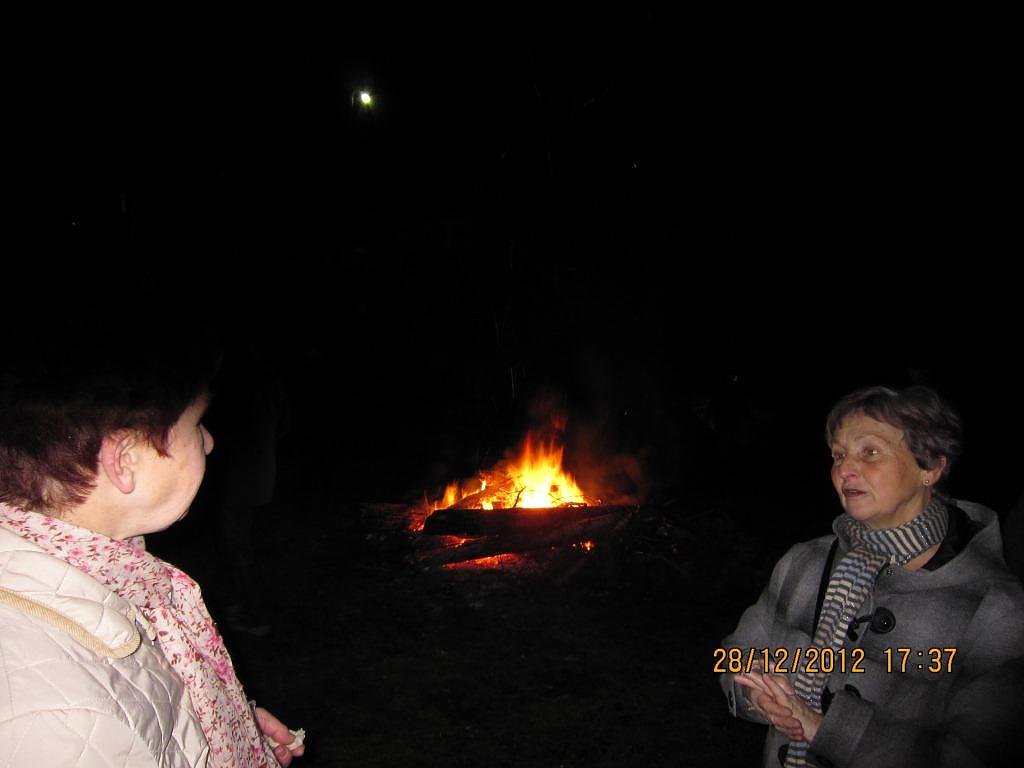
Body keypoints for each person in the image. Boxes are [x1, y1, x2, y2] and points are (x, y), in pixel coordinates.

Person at [0, 312, 305, 767]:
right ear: (124, 459)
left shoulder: (101, 572)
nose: (209, 443)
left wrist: (207, 730)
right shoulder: (59, 719)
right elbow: (90, 722)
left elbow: (131, 700)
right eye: (195, 424)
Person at [718, 385, 1024, 767]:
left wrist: (828, 729)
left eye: (870, 452)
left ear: (930, 467)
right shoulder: (803, 563)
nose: (844, 469)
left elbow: (976, 754)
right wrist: (756, 692)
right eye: (838, 454)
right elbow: (736, 654)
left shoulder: (994, 606)